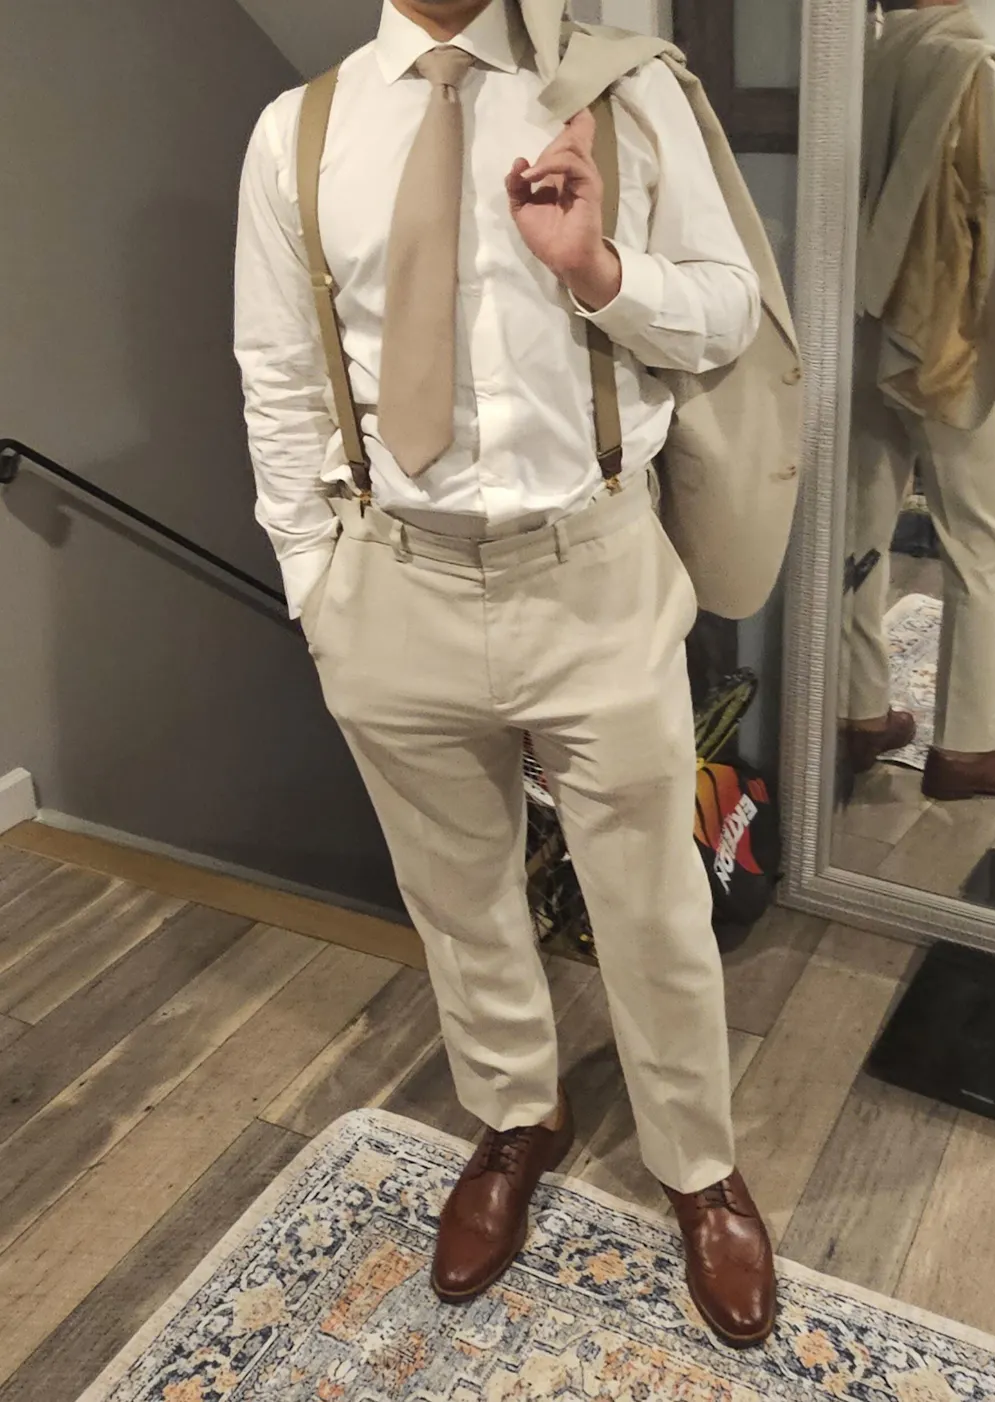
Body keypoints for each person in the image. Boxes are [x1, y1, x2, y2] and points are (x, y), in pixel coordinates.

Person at [235, 0, 776, 1346]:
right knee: (457, 894)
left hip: (591, 567)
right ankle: (516, 1114)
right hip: (392, 578)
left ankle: (698, 1163)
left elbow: (725, 314)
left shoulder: (622, 91)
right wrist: (317, 586)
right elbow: (280, 375)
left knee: (652, 902)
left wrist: (599, 268)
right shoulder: (298, 132)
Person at [843, 0, 995, 800]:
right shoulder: (971, 68)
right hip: (950, 338)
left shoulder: (860, 59)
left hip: (863, 325)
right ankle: (966, 745)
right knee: (978, 544)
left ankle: (856, 712)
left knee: (859, 532)